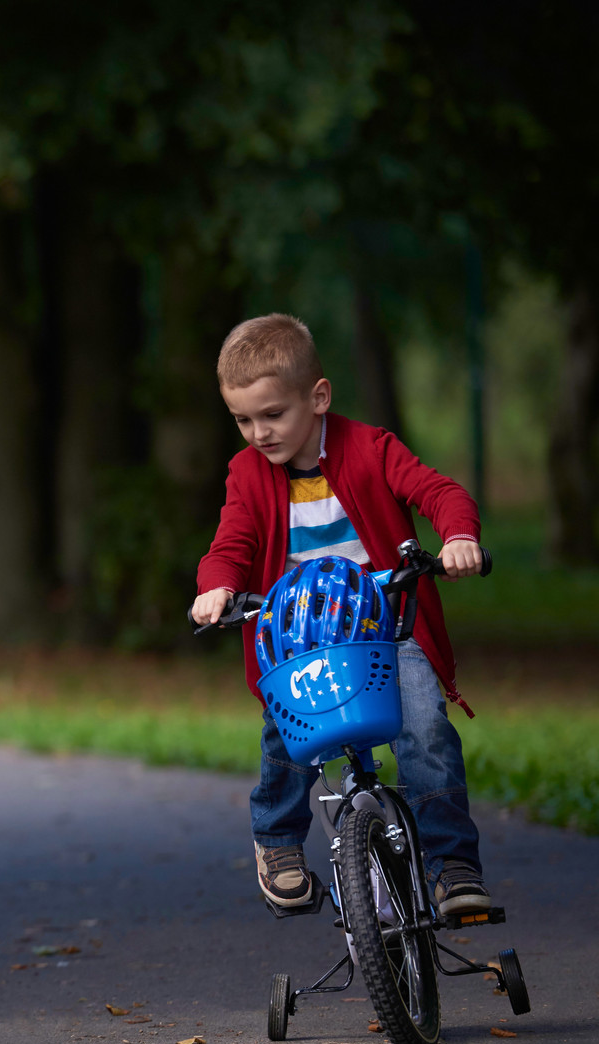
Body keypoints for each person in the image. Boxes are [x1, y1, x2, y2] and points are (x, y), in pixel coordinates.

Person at [192, 314, 493, 917]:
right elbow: (231, 544)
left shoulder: (371, 449)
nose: (259, 433)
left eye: (273, 414)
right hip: (300, 638)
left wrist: (458, 537)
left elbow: (440, 493)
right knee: (287, 737)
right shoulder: (247, 474)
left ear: (319, 397)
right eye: (243, 420)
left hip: (385, 629)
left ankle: (452, 865)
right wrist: (217, 587)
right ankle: (278, 842)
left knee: (425, 729)